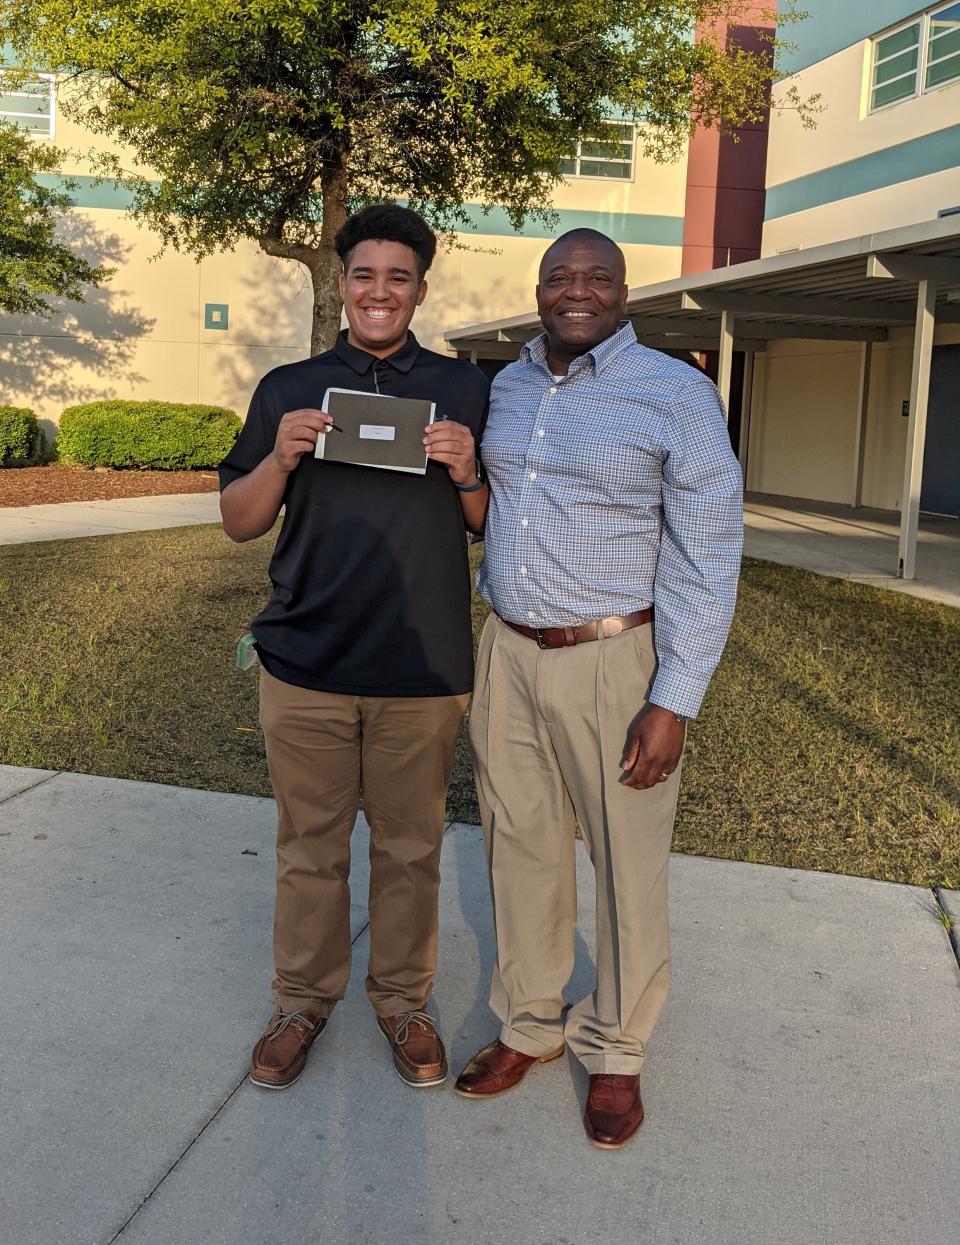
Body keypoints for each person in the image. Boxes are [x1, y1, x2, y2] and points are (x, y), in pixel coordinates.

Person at [455, 228, 743, 1149]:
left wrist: (675, 697)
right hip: (508, 648)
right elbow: (496, 509)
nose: (577, 292)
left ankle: (616, 1050)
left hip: (617, 660)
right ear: (539, 291)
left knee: (626, 859)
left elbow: (710, 552)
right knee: (520, 844)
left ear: (624, 291)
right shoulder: (509, 386)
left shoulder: (677, 393)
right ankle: (532, 1024)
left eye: (597, 278)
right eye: (560, 278)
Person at [219, 204, 488, 1092]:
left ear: (420, 287)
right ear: (344, 282)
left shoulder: (463, 389)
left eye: (399, 276)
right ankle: (301, 999)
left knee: (411, 848)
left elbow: (497, 527)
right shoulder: (289, 386)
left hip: (423, 666)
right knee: (310, 846)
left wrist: (468, 470)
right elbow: (238, 521)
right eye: (365, 274)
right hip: (307, 663)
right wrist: (282, 459)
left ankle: (404, 1000)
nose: (380, 291)